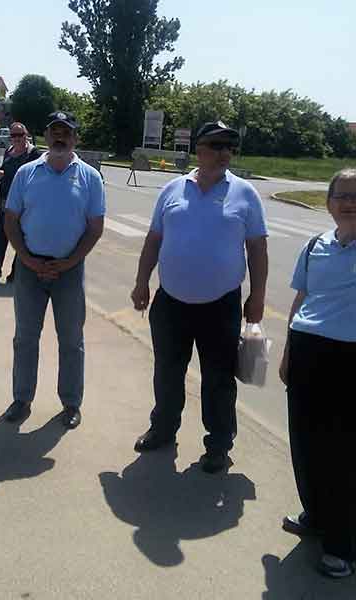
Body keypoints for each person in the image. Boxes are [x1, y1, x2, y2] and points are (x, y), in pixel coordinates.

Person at [131, 121, 268, 473]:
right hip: (171, 302)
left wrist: (257, 297)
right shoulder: (173, 189)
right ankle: (163, 429)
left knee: (218, 378)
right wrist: (141, 282)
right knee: (167, 372)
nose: (225, 153)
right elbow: (154, 239)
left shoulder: (245, 193)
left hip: (221, 305)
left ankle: (219, 445)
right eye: (217, 146)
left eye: (229, 147)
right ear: (199, 149)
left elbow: (257, 248)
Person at [3, 111, 105, 429]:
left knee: (71, 340)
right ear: (46, 136)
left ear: (75, 138)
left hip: (69, 270)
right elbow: (10, 220)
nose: (60, 137)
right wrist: (26, 258)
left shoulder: (90, 177)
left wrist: (69, 262)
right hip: (29, 267)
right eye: (55, 131)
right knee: (25, 338)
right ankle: (22, 399)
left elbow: (95, 227)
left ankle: (71, 403)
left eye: (66, 132)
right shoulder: (26, 173)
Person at [279, 168, 356, 578]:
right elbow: (302, 299)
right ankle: (316, 514)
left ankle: (343, 546)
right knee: (305, 442)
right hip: (308, 351)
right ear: (328, 203)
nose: (348, 203)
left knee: (342, 453)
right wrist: (288, 351)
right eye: (341, 195)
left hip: (349, 359)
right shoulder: (315, 246)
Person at [0, 122, 41, 282]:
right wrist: (0, 175)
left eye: (20, 135)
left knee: (20, 238)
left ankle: (16, 273)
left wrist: (7, 175)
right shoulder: (9, 151)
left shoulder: (33, 154)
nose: (16, 138)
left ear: (26, 135)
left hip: (23, 205)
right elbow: (6, 172)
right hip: (5, 202)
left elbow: (33, 178)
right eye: (13, 135)